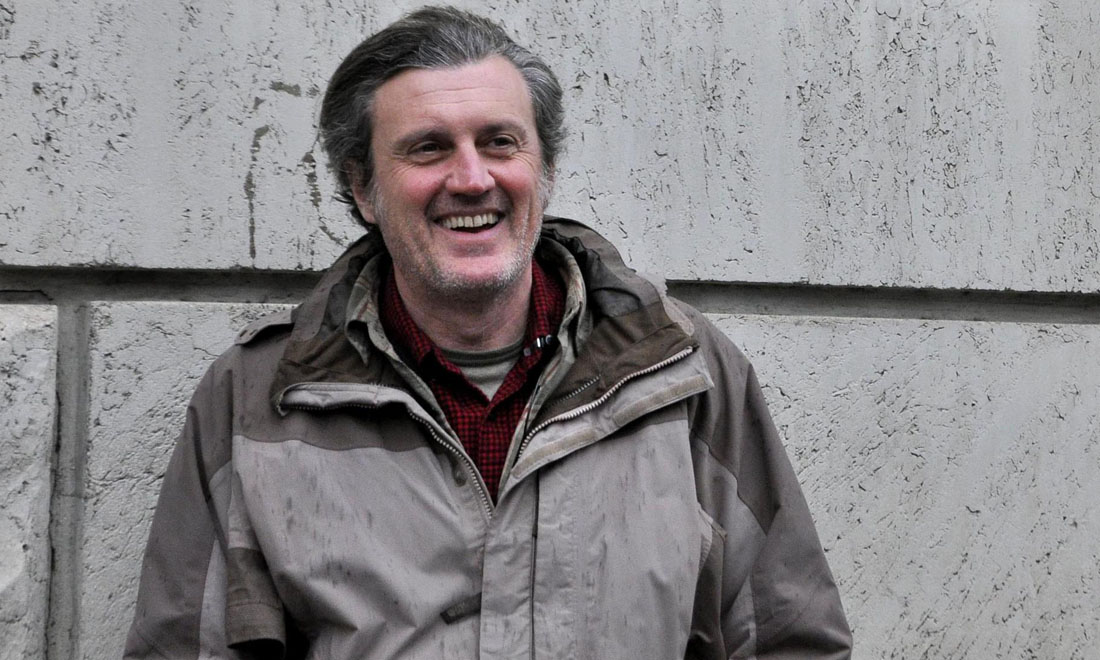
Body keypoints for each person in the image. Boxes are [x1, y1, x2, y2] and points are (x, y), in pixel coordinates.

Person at [125, 6, 852, 659]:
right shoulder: (255, 400)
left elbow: (787, 639)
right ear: (363, 188)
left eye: (500, 142)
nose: (472, 179)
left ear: (545, 168)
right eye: (428, 148)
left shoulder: (684, 373)